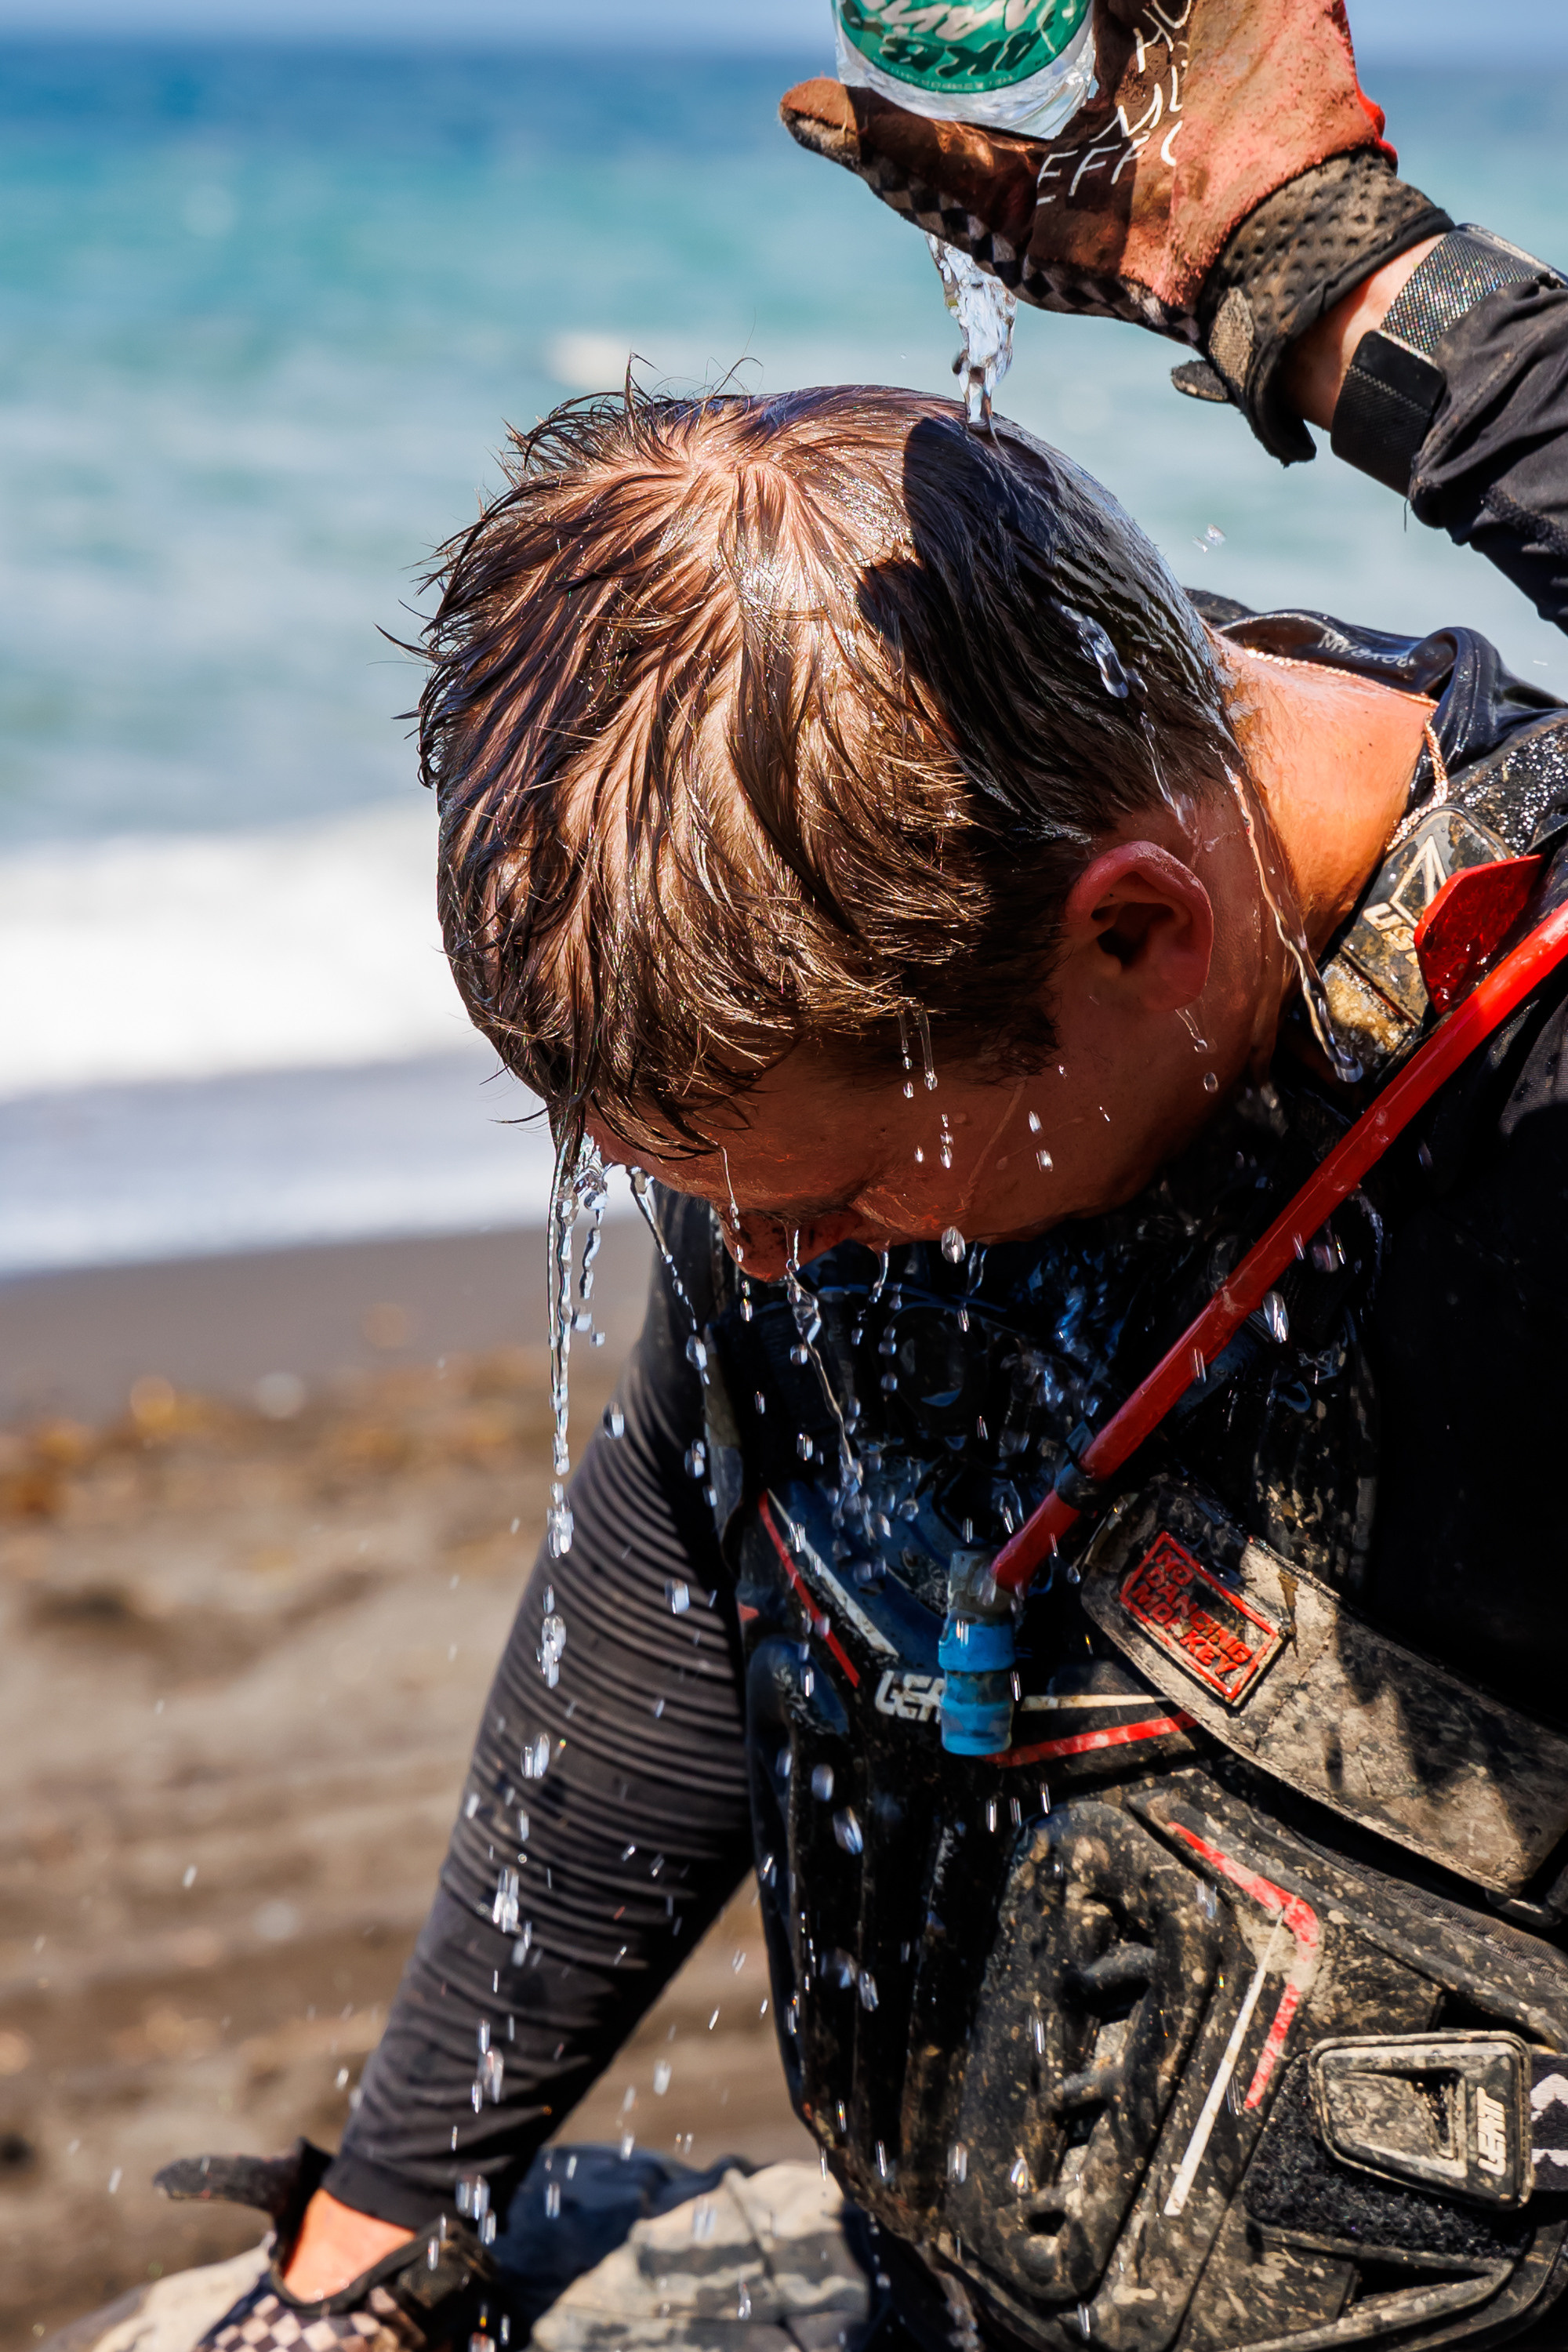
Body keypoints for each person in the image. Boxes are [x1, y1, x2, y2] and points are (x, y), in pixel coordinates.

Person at [90, 2, 1568, 2348]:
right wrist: (378, 2235)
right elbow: (700, 1536)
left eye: (834, 1197)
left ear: (1136, 939)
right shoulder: (847, 917)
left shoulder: (1531, 1056)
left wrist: (1337, 280)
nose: (764, 1264)